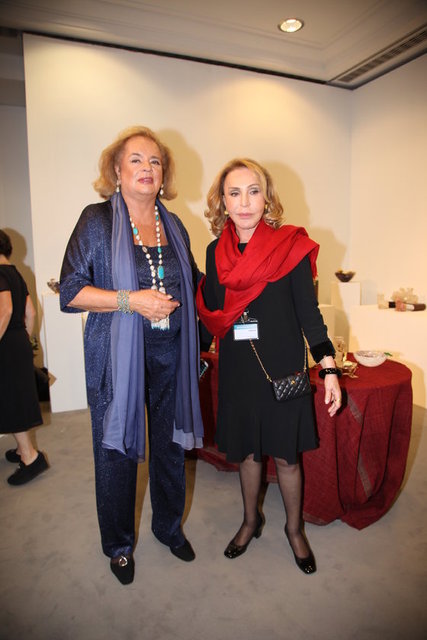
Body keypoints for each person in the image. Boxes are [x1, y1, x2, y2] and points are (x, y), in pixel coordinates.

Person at [60, 126, 204, 585]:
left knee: (170, 444)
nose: (147, 168)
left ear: (163, 174)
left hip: (171, 353)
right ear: (117, 171)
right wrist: (131, 300)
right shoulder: (97, 220)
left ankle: (168, 527)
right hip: (115, 357)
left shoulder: (174, 225)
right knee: (116, 450)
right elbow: (70, 292)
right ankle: (119, 545)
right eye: (136, 160)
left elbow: (195, 283)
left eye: (155, 161)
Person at [196, 158, 342, 575]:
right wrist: (194, 360)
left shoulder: (289, 246)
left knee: (287, 457)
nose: (244, 203)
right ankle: (250, 521)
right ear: (223, 202)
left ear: (267, 197)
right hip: (239, 370)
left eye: (253, 191)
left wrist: (329, 367)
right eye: (234, 193)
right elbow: (212, 313)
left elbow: (309, 314)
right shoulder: (215, 252)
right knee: (247, 453)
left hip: (282, 369)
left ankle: (294, 530)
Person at [0, 230, 48, 485]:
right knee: (16, 398)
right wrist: (23, 340)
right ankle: (22, 449)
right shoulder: (15, 272)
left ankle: (31, 458)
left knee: (11, 401)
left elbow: (6, 310)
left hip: (6, 344)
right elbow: (30, 312)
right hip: (17, 342)